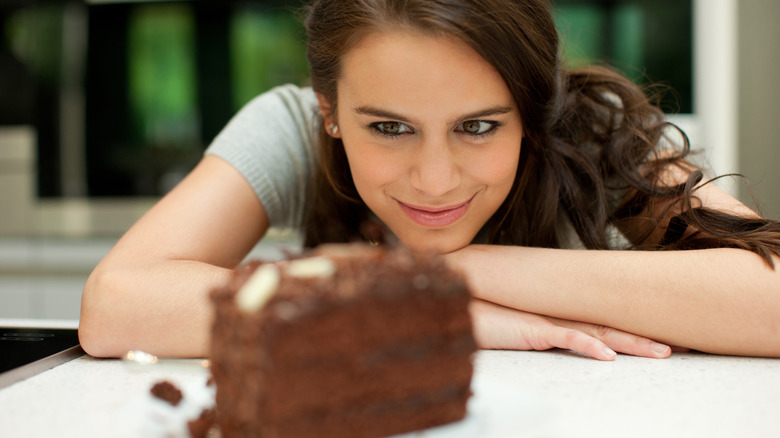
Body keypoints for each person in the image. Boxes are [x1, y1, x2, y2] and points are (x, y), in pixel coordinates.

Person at [78, 0, 780, 360]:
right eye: (389, 128)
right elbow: (117, 307)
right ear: (329, 109)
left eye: (479, 127)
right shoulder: (288, 127)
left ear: (534, 113)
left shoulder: (594, 128)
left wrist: (452, 268)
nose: (436, 181)